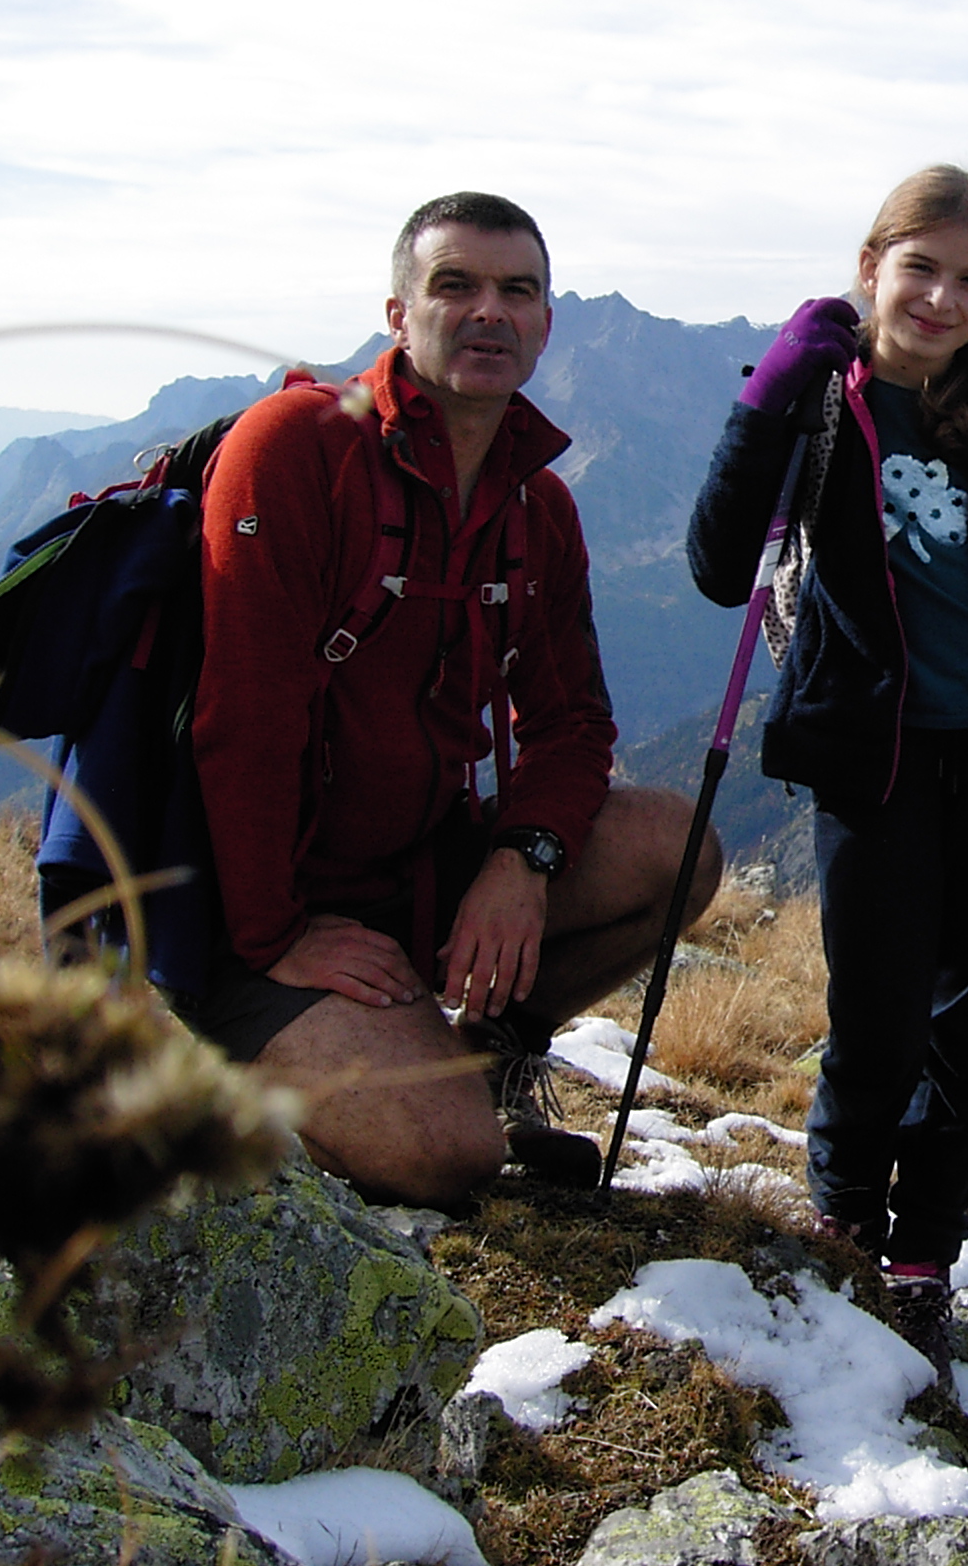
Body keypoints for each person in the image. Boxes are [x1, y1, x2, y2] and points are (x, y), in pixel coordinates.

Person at [185, 191, 719, 1210]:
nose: (489, 313)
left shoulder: (536, 505)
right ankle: (236, 1050)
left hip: (411, 884)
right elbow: (239, 723)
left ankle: (472, 1058)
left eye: (517, 292)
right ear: (398, 314)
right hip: (244, 910)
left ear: (546, 324)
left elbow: (571, 725)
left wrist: (524, 859)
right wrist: (271, 935)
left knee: (678, 843)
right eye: (454, 286)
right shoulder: (295, 448)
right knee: (448, 1162)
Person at [687, 166, 968, 1374]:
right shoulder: (823, 404)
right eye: (919, 265)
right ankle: (842, 1221)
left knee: (966, 1019)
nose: (940, 295)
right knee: (871, 1009)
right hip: (870, 754)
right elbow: (721, 566)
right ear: (871, 261)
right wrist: (768, 398)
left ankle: (924, 1255)